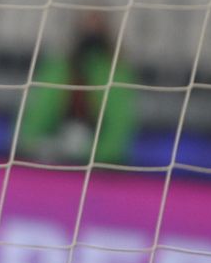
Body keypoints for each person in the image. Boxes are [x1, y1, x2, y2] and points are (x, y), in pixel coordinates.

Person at [16, 10, 139, 165]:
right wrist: (32, 144)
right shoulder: (59, 67)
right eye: (87, 25)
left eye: (96, 26)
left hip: (98, 157)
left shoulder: (117, 72)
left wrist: (98, 154)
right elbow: (39, 110)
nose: (91, 32)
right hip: (56, 145)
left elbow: (119, 124)